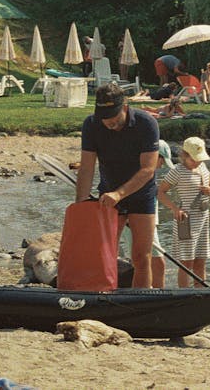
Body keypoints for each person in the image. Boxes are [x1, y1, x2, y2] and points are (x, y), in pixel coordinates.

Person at [76, 83, 159, 288]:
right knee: (104, 254)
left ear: (125, 106)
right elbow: (87, 168)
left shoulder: (146, 123)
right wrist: (80, 205)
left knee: (141, 256)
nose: (109, 123)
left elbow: (148, 170)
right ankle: (102, 298)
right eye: (105, 118)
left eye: (113, 117)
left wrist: (120, 194)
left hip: (142, 195)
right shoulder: (92, 124)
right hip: (109, 194)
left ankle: (141, 301)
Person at [158, 137, 210, 287]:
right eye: (193, 159)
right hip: (186, 220)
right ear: (184, 155)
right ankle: (184, 294)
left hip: (203, 219)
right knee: (186, 262)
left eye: (199, 159)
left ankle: (201, 292)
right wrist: (174, 208)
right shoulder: (177, 171)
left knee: (201, 260)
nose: (197, 162)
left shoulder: (203, 167)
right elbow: (160, 192)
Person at [123, 140, 176, 287]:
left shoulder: (148, 174)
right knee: (154, 262)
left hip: (149, 224)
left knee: (150, 262)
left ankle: (154, 291)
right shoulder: (139, 175)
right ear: (154, 156)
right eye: (162, 161)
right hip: (138, 224)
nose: (162, 165)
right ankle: (155, 295)